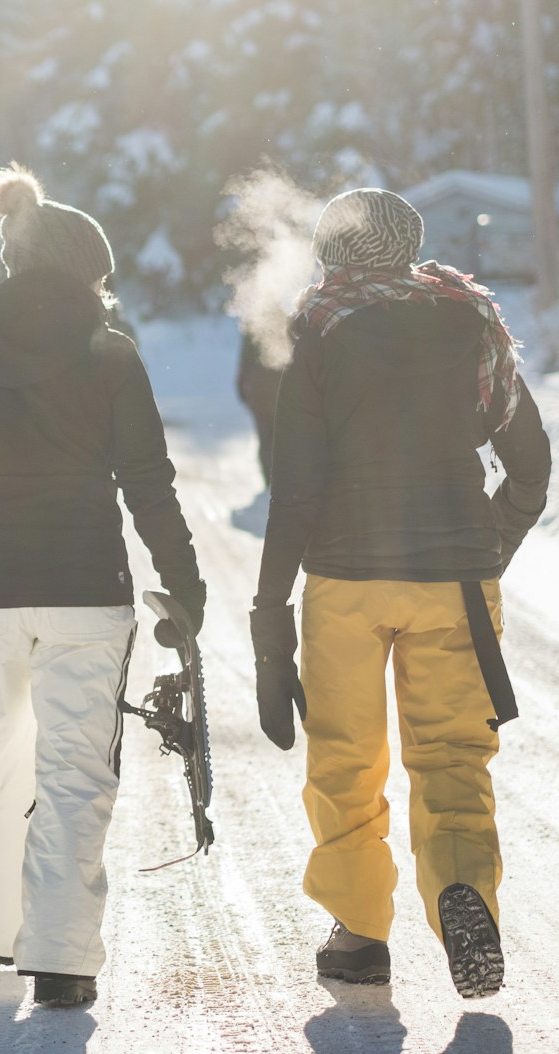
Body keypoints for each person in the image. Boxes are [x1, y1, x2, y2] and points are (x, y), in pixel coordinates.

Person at [0, 162, 205, 1008]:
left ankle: (0, 929)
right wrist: (185, 582)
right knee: (73, 770)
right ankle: (60, 958)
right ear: (85, 272)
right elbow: (148, 480)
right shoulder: (111, 356)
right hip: (89, 590)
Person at [250, 188, 550, 998]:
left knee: (347, 756)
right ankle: (463, 889)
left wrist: (268, 609)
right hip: (455, 578)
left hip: (346, 579)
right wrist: (492, 545)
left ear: (333, 251)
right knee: (453, 754)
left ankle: (357, 934)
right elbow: (531, 466)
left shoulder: (320, 326)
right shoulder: (472, 321)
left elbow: (298, 487)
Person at [235, 329, 284, 488]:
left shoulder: (254, 323)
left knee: (265, 436)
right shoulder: (285, 318)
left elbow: (245, 358)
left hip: (259, 389)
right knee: (282, 437)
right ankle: (279, 478)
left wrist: (241, 385)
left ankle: (269, 478)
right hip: (280, 389)